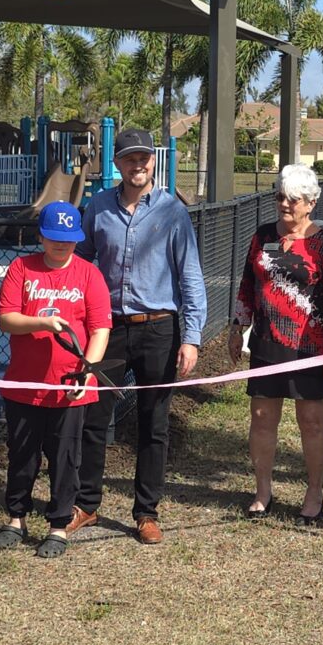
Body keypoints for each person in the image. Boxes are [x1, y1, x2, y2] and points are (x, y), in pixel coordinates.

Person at [67, 128, 207, 545]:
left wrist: (192, 337)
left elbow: (191, 276)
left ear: (152, 162)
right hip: (106, 329)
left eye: (144, 157)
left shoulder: (171, 212)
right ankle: (87, 504)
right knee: (94, 419)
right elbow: (83, 265)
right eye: (130, 158)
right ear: (118, 164)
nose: (138, 164)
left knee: (154, 423)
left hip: (158, 329)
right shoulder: (98, 208)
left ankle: (146, 511)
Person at [0, 201, 111, 559]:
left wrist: (86, 370)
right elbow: (6, 318)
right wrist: (42, 323)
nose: (62, 245)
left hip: (70, 385)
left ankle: (58, 525)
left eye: (69, 239)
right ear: (41, 236)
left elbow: (100, 327)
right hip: (25, 383)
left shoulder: (89, 274)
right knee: (22, 454)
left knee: (65, 456)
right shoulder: (21, 268)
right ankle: (16, 518)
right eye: (55, 238)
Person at [228, 165, 323, 524]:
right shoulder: (262, 236)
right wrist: (239, 325)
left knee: (311, 420)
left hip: (309, 345)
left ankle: (314, 492)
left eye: (293, 199)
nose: (285, 205)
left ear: (310, 203)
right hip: (267, 342)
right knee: (262, 417)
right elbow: (249, 282)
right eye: (280, 196)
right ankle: (263, 491)